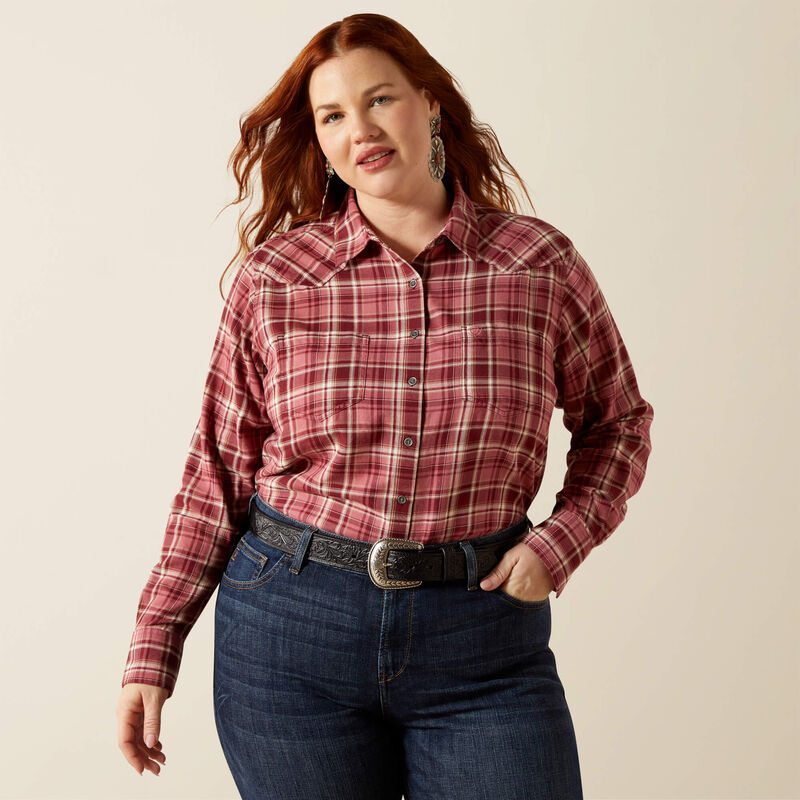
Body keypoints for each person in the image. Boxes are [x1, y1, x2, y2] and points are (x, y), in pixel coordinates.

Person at [116, 12, 654, 799]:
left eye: (380, 99)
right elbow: (218, 472)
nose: (360, 130)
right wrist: (154, 643)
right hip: (290, 637)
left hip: (482, 640)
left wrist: (560, 542)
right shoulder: (277, 279)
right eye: (333, 115)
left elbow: (619, 422)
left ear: (430, 102)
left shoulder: (537, 265)